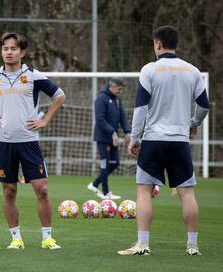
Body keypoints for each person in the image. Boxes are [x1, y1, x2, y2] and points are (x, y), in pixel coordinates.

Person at [117, 25, 209, 256]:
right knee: (187, 192)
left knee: (144, 191)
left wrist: (134, 138)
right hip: (179, 140)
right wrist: (193, 124)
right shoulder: (193, 71)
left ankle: (143, 245)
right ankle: (192, 246)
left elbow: (141, 108)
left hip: (154, 139)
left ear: (157, 44)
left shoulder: (149, 69)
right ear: (176, 44)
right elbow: (204, 106)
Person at [0, 32, 66, 250]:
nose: (9, 52)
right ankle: (16, 238)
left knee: (41, 189)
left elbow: (59, 95)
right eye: (5, 49)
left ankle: (47, 238)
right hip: (4, 143)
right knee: (9, 191)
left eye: (13, 49)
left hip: (30, 141)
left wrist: (45, 121)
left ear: (22, 52)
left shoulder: (33, 75)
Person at [87, 78, 130, 200]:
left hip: (113, 137)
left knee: (115, 162)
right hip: (103, 137)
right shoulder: (101, 99)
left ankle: (95, 184)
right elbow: (100, 119)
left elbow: (122, 116)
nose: (120, 91)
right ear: (112, 86)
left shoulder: (117, 100)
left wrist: (127, 131)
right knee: (105, 164)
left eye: (122, 89)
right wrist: (112, 132)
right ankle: (106, 193)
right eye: (119, 89)